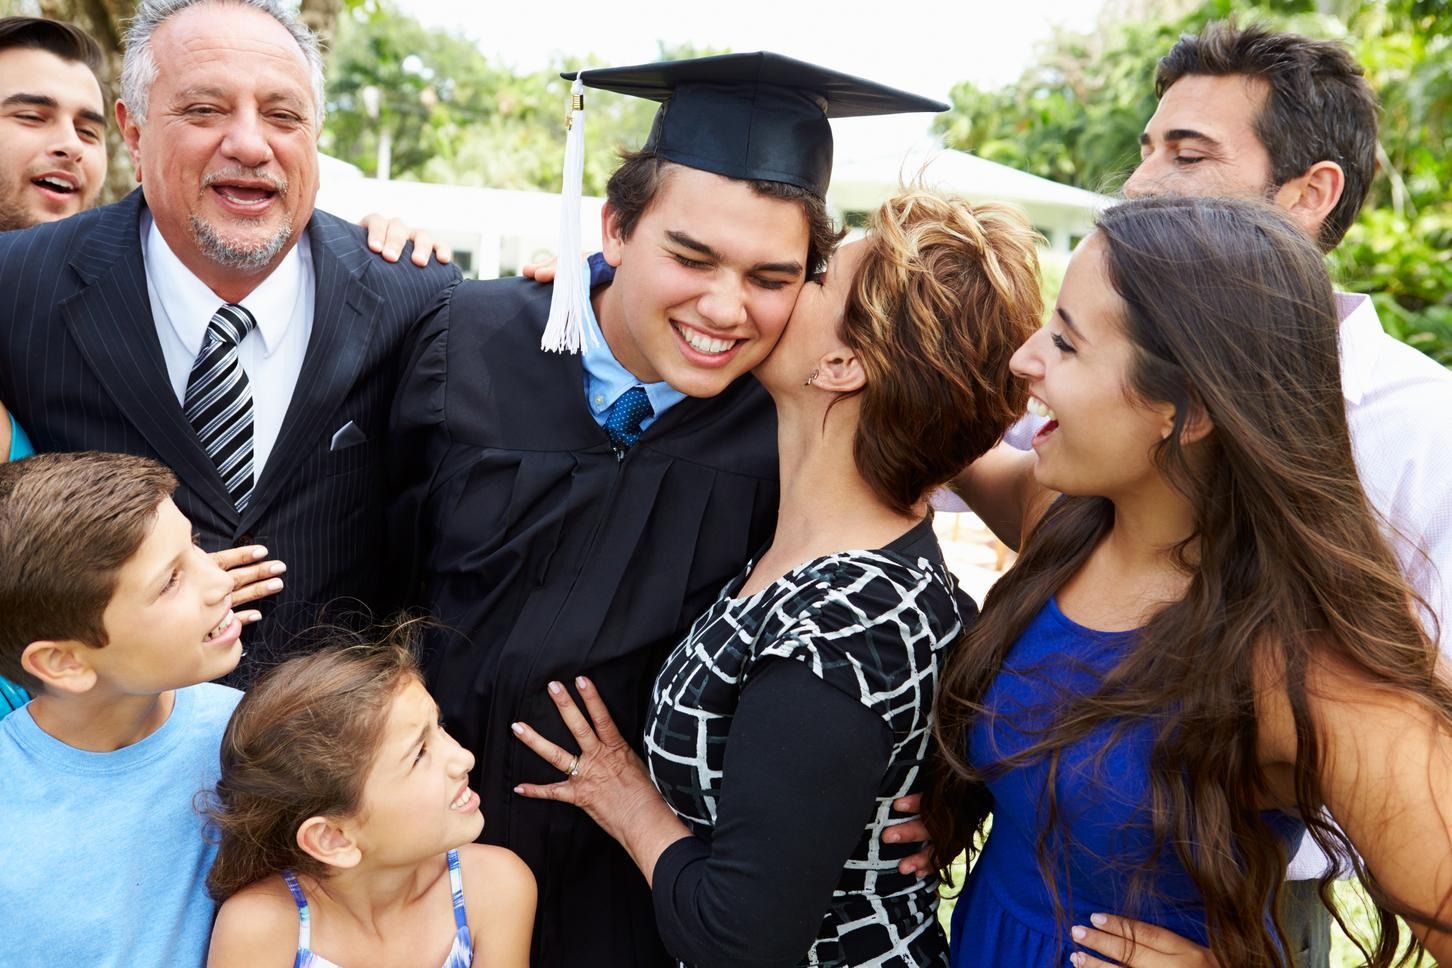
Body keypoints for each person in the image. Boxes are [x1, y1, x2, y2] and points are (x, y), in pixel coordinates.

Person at [392, 52, 946, 967]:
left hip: (637, 895)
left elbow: (906, 595)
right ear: (613, 228)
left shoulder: (790, 425)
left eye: (772, 277)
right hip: (426, 855)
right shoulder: (468, 339)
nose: (724, 308)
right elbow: (379, 568)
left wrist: (940, 779)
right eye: (690, 257)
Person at [508, 186, 1042, 966]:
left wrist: (629, 803)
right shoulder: (825, 552)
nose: (787, 287)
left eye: (818, 277)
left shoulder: (852, 623)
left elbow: (740, 939)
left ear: (842, 364)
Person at [927, 195, 1452, 967]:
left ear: (1190, 408)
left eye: (1067, 344)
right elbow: (935, 444)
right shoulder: (1065, 521)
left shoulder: (1308, 660)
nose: (1024, 359)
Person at [0, 0, 460, 685]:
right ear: (132, 130)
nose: (250, 145)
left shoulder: (419, 299)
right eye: (205, 110)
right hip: (105, 755)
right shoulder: (17, 286)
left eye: (283, 115)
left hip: (325, 766)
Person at [0, 451, 245, 966]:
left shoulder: (251, 736)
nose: (221, 581)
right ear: (63, 661)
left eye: (195, 545)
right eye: (171, 581)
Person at [205, 623, 535, 968]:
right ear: (332, 837)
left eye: (440, 727)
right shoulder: (261, 927)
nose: (464, 758)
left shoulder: (494, 888)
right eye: (419, 755)